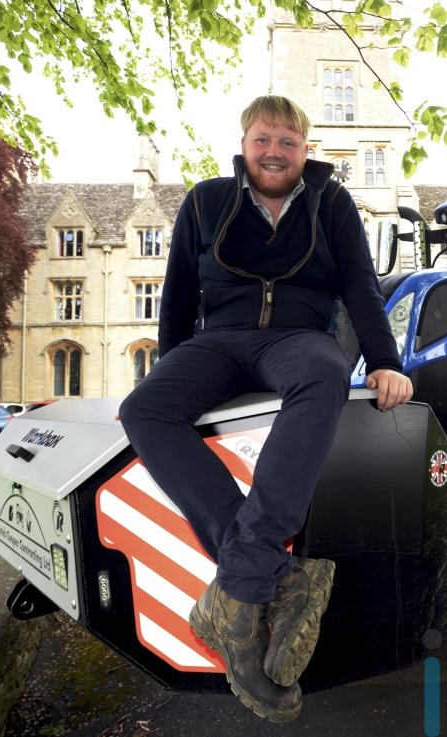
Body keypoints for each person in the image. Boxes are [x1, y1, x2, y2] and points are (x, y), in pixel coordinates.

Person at [118, 95, 412, 722]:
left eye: (287, 141)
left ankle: (239, 588)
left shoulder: (332, 203)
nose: (274, 152)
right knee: (144, 409)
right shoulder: (205, 201)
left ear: (305, 150)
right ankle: (276, 578)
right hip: (218, 339)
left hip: (298, 338)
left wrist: (386, 361)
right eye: (263, 139)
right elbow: (178, 292)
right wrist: (169, 365)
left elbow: (360, 285)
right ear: (244, 144)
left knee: (326, 375)